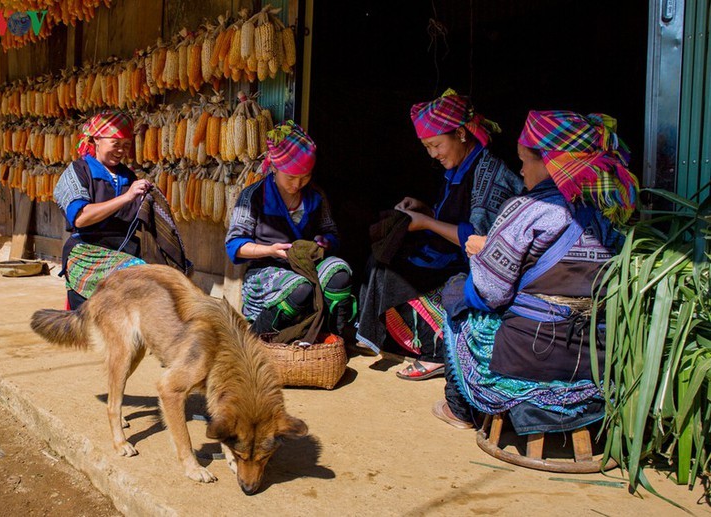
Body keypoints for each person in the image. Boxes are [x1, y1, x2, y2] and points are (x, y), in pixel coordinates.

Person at [432, 110, 638, 431]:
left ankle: (460, 408)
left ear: (550, 163)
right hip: (595, 359)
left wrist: (482, 254)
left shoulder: (528, 210)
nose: (521, 169)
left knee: (457, 290)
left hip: (530, 356)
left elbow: (490, 293)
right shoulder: (614, 212)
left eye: (526, 160)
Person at [355, 88, 524, 379]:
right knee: (379, 260)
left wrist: (426, 223)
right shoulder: (459, 167)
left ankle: (439, 351)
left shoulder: (488, 171)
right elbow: (452, 216)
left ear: (460, 133)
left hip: (477, 268)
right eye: (427, 148)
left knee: (389, 275)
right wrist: (424, 209)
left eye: (436, 145)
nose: (433, 154)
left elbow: (477, 238)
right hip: (450, 255)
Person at [225, 120, 354, 336]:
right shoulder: (254, 196)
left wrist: (325, 241)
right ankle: (256, 339)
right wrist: (270, 250)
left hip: (307, 266)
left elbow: (332, 234)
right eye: (291, 177)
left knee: (339, 273)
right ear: (274, 167)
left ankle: (331, 338)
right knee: (300, 288)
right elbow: (235, 246)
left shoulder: (315, 196)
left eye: (305, 177)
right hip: (264, 273)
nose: (297, 184)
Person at [54, 110, 153, 310]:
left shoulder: (129, 177)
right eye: (115, 144)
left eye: (126, 146)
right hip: (86, 252)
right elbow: (81, 218)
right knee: (134, 273)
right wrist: (126, 197)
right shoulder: (77, 172)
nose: (120, 151)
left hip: (124, 251)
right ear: (96, 140)